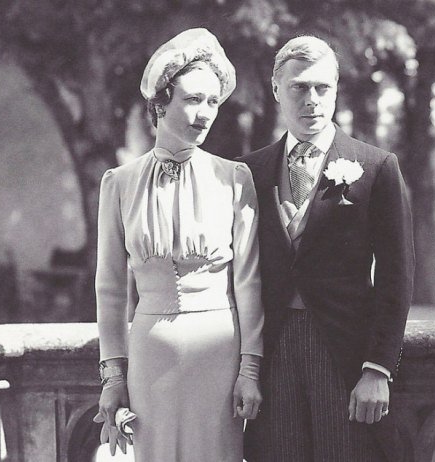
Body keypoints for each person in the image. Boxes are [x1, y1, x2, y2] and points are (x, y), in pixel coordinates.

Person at [239, 36, 415, 462]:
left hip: (343, 352)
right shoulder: (251, 171)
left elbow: (398, 276)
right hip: (273, 348)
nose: (312, 100)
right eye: (299, 87)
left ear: (336, 91)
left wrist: (377, 368)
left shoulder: (375, 168)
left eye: (323, 88)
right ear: (276, 90)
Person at [93, 28, 264, 461]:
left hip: (220, 353)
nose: (205, 113)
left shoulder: (234, 178)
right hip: (150, 356)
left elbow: (249, 283)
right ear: (160, 103)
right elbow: (111, 290)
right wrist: (114, 377)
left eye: (212, 102)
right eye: (192, 99)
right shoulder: (119, 184)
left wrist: (250, 369)